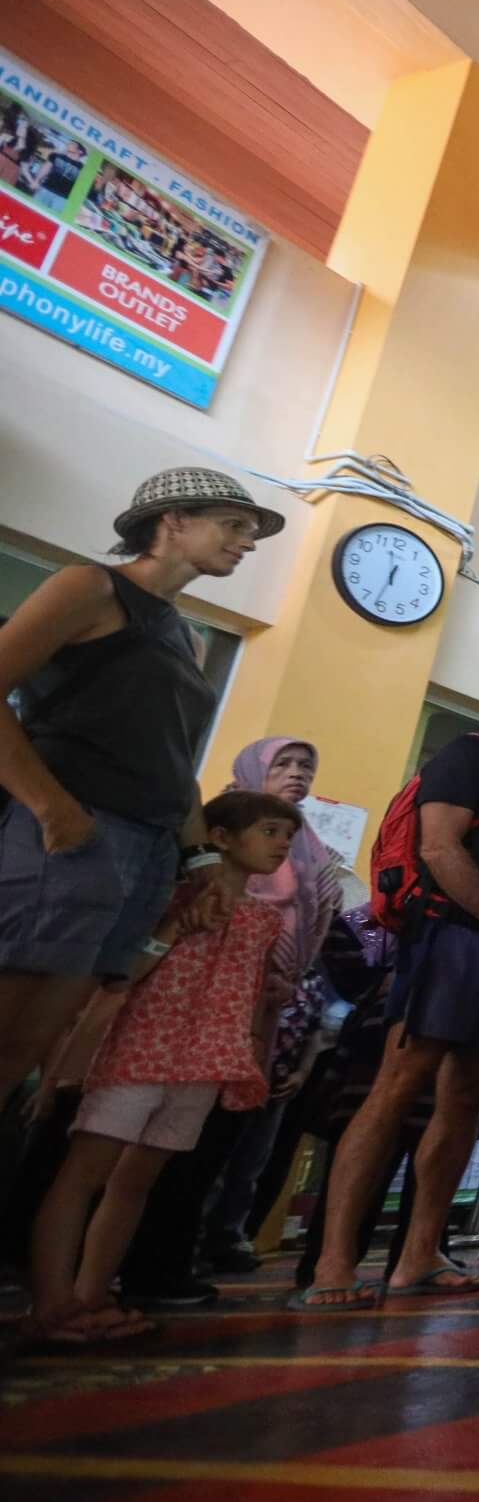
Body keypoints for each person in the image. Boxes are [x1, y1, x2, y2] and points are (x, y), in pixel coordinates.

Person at [0, 469, 281, 1113]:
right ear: (172, 520)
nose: (249, 542)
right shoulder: (90, 587)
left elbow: (175, 762)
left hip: (145, 851)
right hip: (74, 831)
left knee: (33, 1051)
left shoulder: (186, 636)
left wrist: (202, 859)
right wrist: (51, 805)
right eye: (234, 525)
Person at [295, 658, 479, 1310]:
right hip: (448, 937)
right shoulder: (470, 755)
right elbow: (439, 848)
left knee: (468, 1098)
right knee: (397, 1086)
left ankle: (418, 1252)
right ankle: (333, 1259)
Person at [24, 790, 301, 1344]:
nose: (281, 845)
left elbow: (247, 994)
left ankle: (92, 1294)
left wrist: (251, 1048)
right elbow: (122, 975)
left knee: (137, 1182)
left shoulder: (262, 921)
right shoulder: (169, 896)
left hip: (202, 1060)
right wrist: (177, 926)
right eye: (270, 831)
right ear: (219, 837)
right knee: (84, 1174)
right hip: (141, 1049)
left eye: (287, 836)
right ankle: (50, 1304)